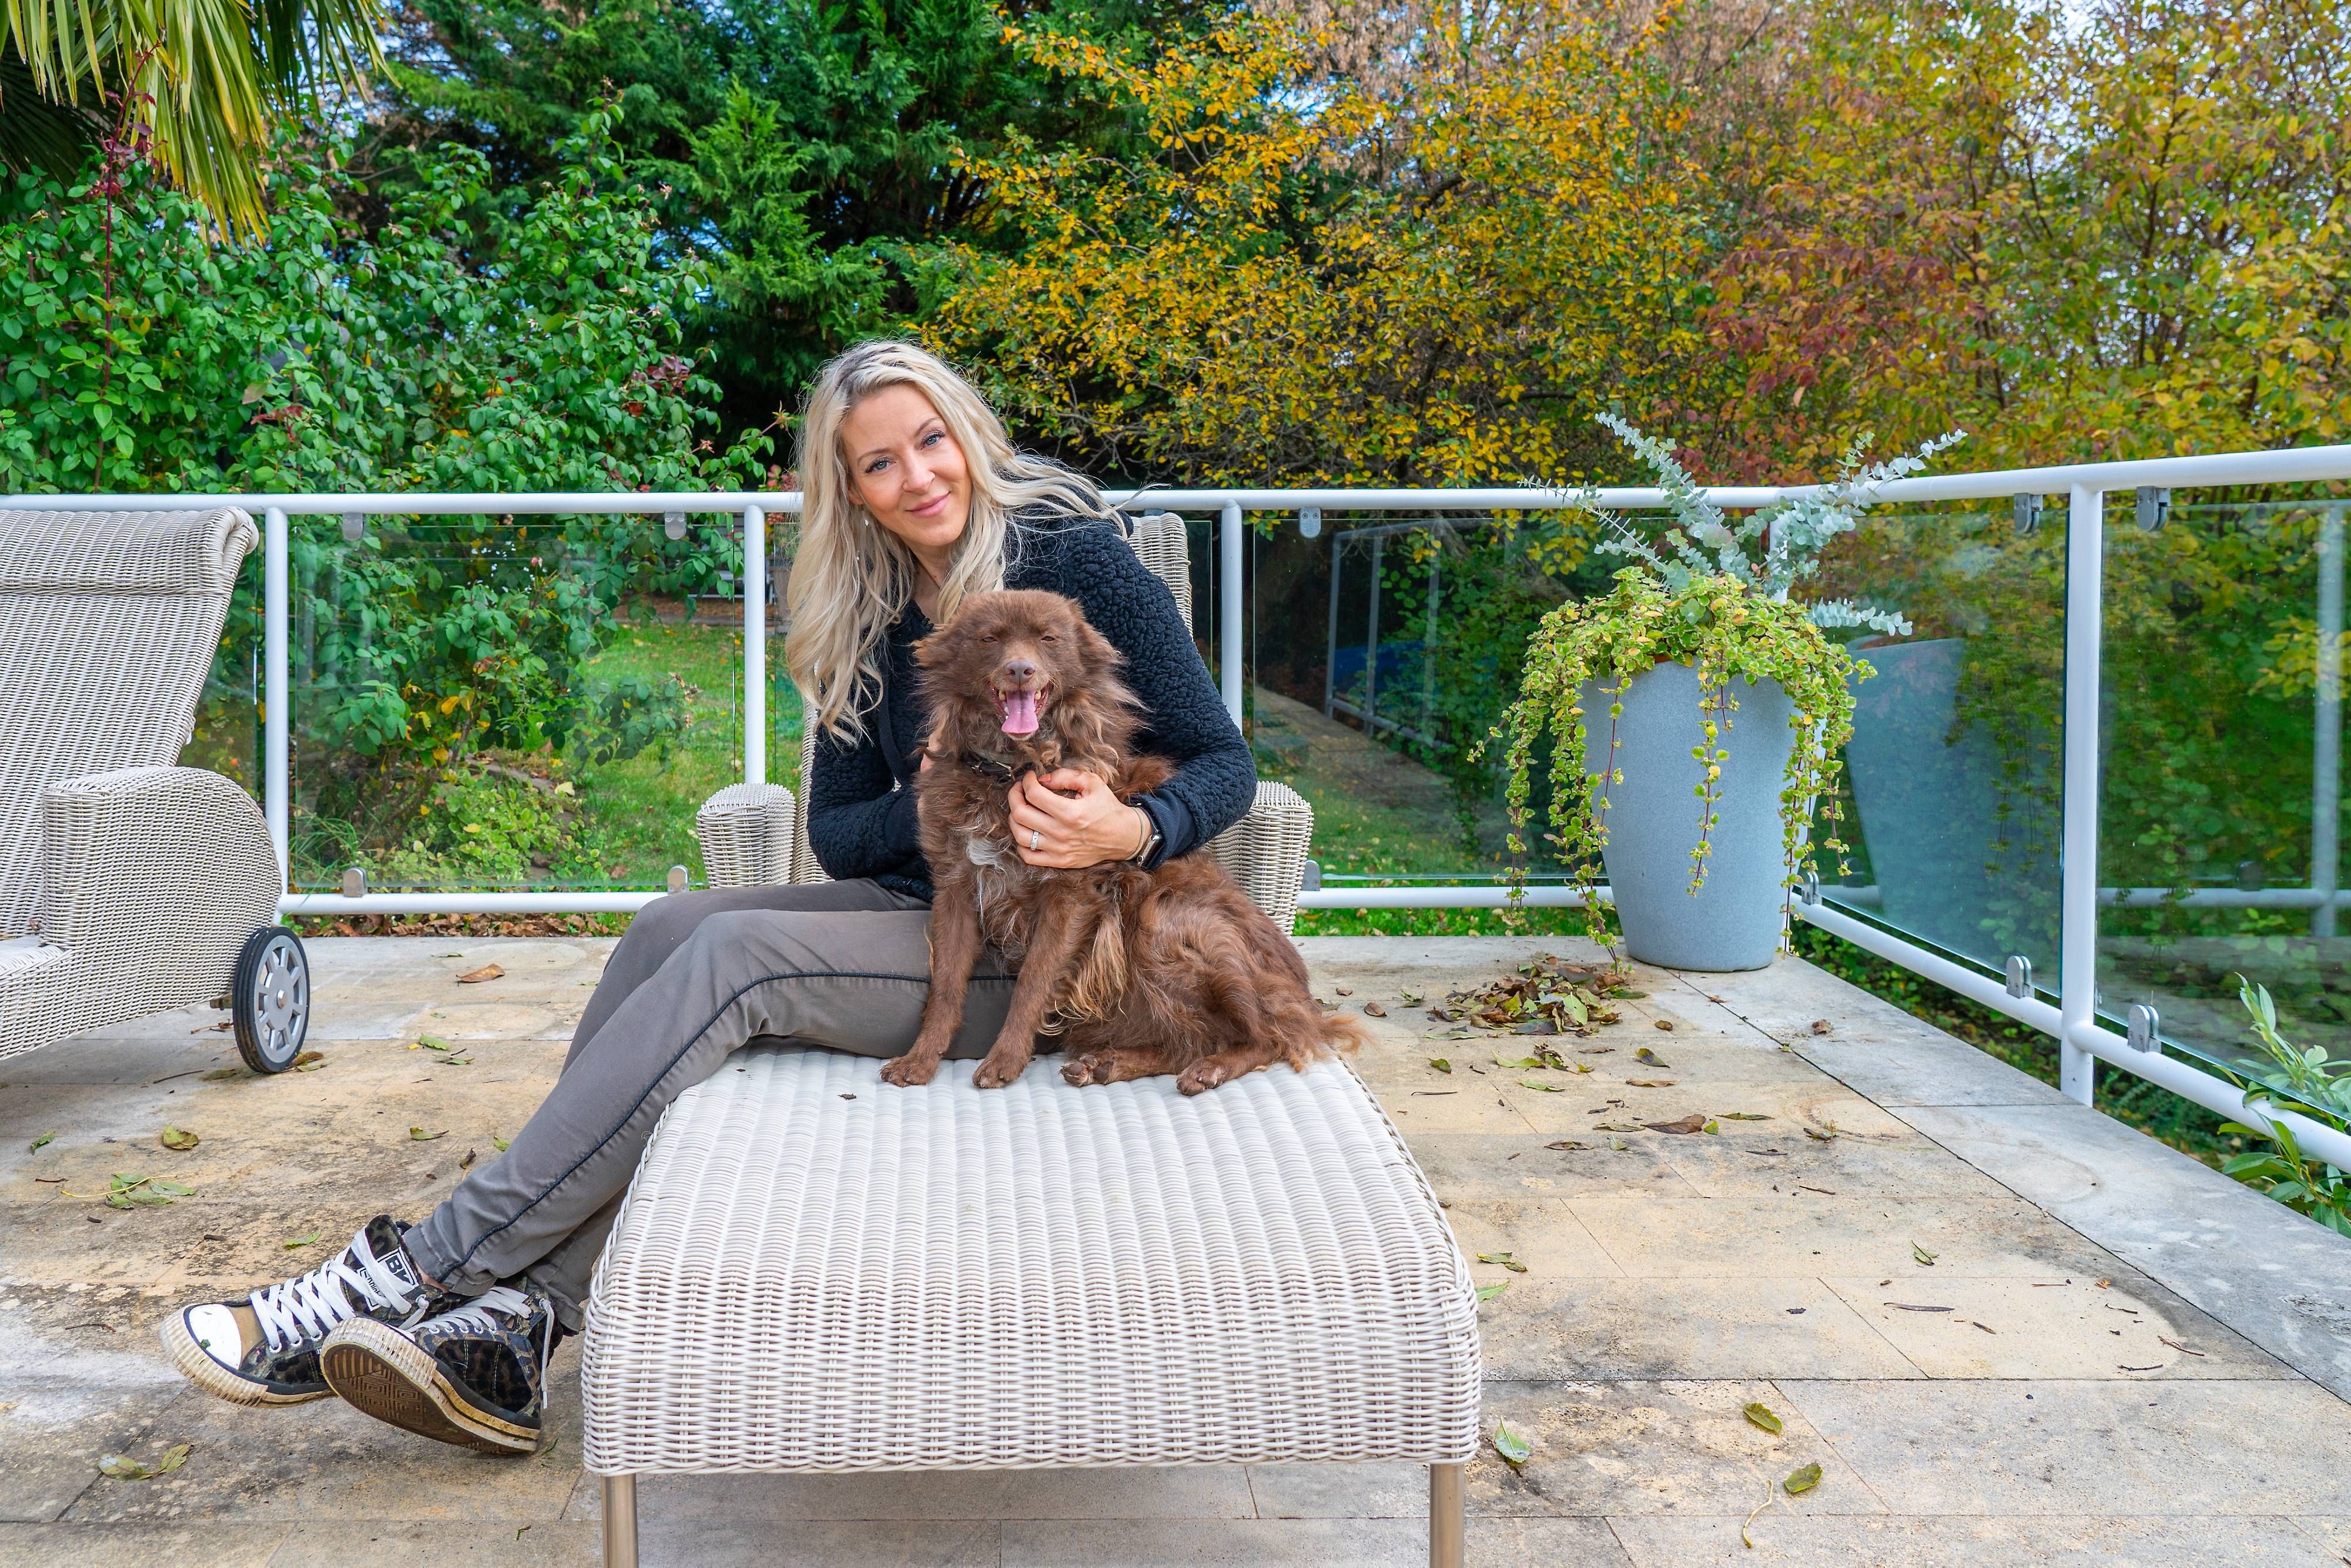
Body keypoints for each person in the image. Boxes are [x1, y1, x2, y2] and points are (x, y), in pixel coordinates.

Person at [157, 340, 1256, 1453]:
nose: (918, 478)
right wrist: (932, 797)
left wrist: (1133, 825)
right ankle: (517, 1325)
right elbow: (838, 837)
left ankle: (416, 1269)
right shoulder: (875, 612)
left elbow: (1226, 763)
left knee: (742, 963)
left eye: (931, 442)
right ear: (851, 490)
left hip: (1074, 953)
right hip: (934, 912)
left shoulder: (1080, 567)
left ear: (967, 436)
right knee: (671, 926)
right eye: (879, 464)